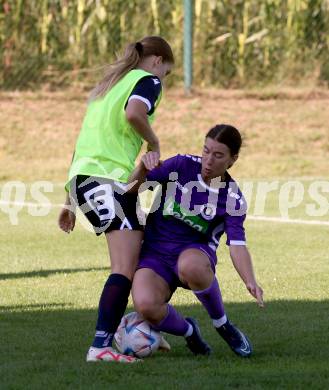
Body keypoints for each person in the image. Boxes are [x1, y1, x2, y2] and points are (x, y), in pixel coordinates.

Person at [58, 36, 174, 363]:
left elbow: (82, 148)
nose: (163, 79)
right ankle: (100, 346)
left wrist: (68, 201)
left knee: (140, 254)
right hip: (106, 181)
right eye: (167, 73)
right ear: (157, 62)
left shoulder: (108, 87)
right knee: (124, 266)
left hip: (87, 180)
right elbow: (135, 115)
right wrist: (154, 144)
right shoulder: (147, 80)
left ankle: (135, 327)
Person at [129, 124, 264, 358]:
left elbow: (237, 245)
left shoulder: (232, 197)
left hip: (195, 253)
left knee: (190, 265)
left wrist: (250, 280)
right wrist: (142, 166)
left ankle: (223, 325)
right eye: (206, 151)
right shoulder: (180, 165)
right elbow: (131, 189)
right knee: (145, 306)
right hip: (156, 254)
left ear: (232, 160)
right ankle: (190, 332)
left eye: (218, 155)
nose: (209, 160)